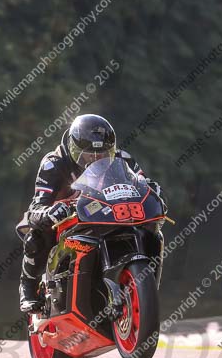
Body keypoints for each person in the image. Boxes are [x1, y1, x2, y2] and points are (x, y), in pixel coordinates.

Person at [17, 113, 162, 313]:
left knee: (151, 231)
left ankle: (141, 287)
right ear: (74, 149)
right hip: (68, 220)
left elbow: (143, 183)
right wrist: (50, 211)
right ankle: (28, 287)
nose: (96, 160)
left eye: (102, 154)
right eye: (89, 155)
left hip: (108, 213)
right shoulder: (53, 163)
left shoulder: (123, 158)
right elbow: (37, 206)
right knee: (35, 236)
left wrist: (153, 191)